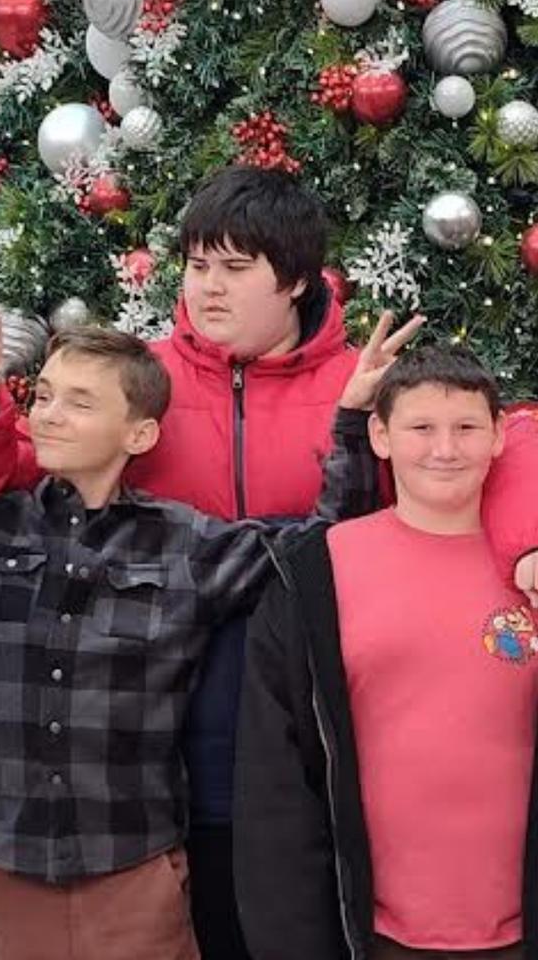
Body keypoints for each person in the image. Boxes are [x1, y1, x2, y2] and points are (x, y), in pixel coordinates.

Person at [0, 184, 406, 959]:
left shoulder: (184, 544)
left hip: (153, 847)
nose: (51, 414)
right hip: (18, 862)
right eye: (46, 397)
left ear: (140, 432)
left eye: (78, 403)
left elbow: (322, 549)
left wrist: (355, 419)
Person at [0, 165, 538, 960]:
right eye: (198, 264)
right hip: (159, 752)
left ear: (298, 279)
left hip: (320, 731)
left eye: (236, 269)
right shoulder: (140, 382)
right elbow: (25, 470)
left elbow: (505, 442)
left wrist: (526, 547)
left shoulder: (364, 384)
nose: (209, 288)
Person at [234, 346, 538, 960]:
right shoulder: (315, 574)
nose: (445, 449)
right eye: (421, 428)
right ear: (380, 435)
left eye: (466, 428)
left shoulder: (532, 571)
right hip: (373, 934)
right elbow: (276, 784)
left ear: (500, 434)